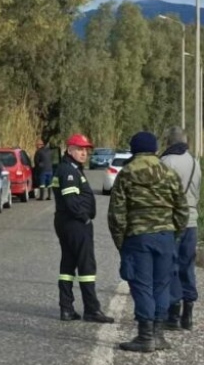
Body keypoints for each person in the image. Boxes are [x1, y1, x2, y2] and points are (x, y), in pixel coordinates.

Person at [108, 131, 188, 352]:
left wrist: (121, 242)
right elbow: (181, 209)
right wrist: (175, 235)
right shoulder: (169, 173)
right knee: (161, 285)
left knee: (142, 286)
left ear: (134, 150)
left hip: (138, 237)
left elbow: (117, 214)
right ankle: (158, 335)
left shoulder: (127, 173)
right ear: (154, 148)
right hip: (166, 237)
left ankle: (145, 337)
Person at [52, 134, 114, 323]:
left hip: (67, 223)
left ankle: (66, 308)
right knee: (86, 266)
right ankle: (92, 310)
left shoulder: (71, 168)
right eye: (80, 149)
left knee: (68, 265)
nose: (84, 153)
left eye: (86, 150)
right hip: (75, 224)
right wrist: (85, 218)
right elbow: (71, 201)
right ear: (70, 150)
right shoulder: (69, 171)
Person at [159, 126, 200, 331]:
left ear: (169, 142)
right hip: (192, 220)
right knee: (187, 265)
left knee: (171, 266)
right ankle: (189, 314)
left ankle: (173, 314)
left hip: (172, 220)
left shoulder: (166, 161)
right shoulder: (195, 162)